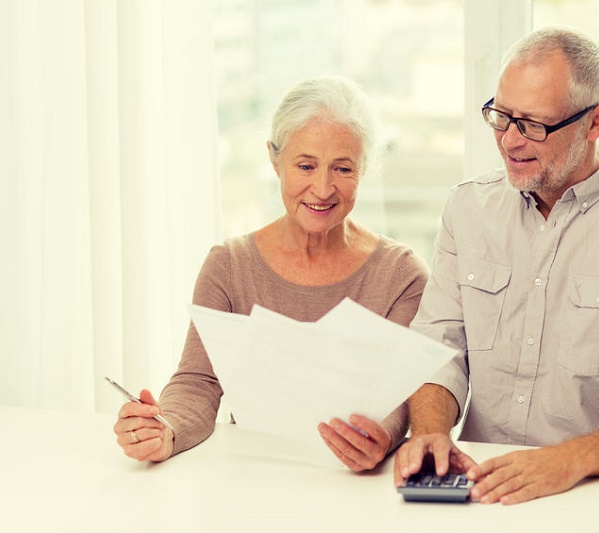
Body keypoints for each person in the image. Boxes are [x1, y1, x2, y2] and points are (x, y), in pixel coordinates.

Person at [394, 26, 599, 504]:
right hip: (482, 491)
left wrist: (568, 460)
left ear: (595, 121)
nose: (509, 141)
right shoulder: (466, 209)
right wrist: (430, 431)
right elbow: (439, 345)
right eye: (501, 117)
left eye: (533, 124)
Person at [113, 76, 429, 471]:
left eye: (343, 168)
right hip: (253, 475)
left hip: (358, 487)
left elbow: (402, 398)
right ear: (274, 160)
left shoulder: (401, 275)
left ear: (364, 170)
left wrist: (379, 438)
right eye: (306, 165)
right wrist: (165, 430)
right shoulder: (227, 266)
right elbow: (198, 382)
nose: (323, 187)